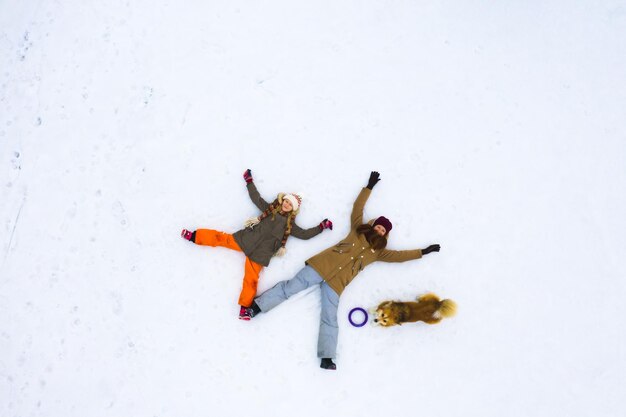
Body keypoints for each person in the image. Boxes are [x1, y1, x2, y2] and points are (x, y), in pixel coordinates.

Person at [241, 171, 441, 370]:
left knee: (329, 316)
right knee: (290, 288)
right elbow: (358, 208)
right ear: (373, 225)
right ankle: (256, 307)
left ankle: (327, 357)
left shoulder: (379, 252)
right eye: (378, 227)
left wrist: (423, 252)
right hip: (321, 266)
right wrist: (369, 187)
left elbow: (400, 257)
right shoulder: (357, 229)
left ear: (385, 235)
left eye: (383, 231)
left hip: (337, 284)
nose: (379, 231)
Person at [181, 169, 333, 320]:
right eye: (286, 201)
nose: (287, 204)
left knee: (251, 280)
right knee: (220, 238)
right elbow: (256, 198)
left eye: (290, 204)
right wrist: (249, 182)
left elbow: (305, 235)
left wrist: (321, 227)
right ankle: (194, 236)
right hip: (246, 240)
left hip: (260, 255)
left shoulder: (290, 226)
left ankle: (244, 309)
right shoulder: (270, 210)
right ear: (282, 201)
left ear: (293, 209)